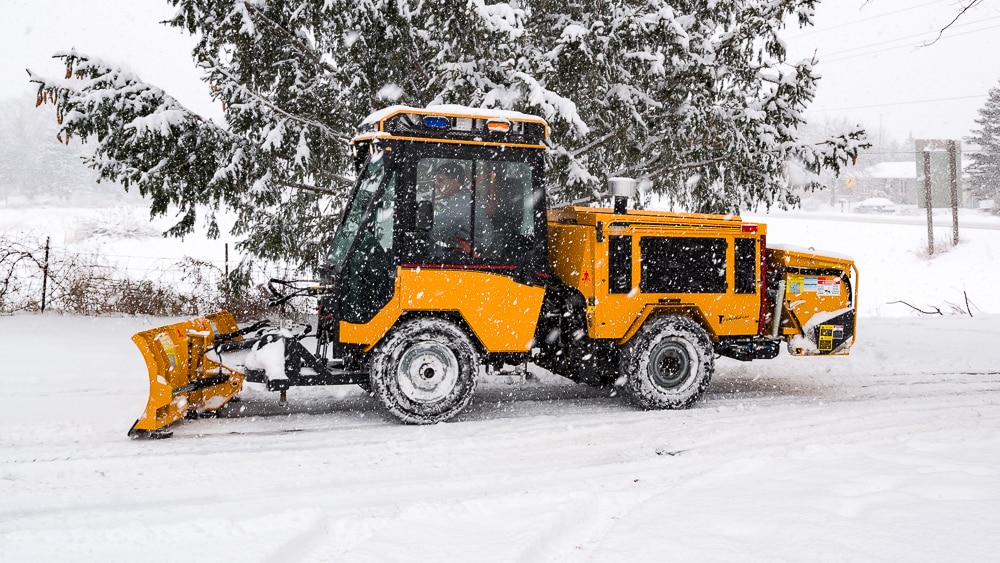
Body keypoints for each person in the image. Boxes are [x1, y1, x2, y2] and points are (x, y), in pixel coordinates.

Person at [430, 161, 493, 257]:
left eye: (440, 180)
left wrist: (419, 229)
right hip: (468, 252)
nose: (437, 185)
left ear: (454, 181)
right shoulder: (464, 198)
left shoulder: (461, 203)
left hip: (467, 256)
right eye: (436, 181)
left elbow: (436, 229)